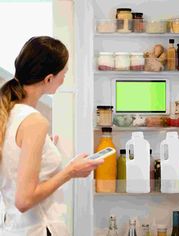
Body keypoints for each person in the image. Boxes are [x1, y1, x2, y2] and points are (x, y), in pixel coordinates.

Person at [0, 36, 104, 236]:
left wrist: (45, 150)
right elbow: (24, 200)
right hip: (38, 230)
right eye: (63, 73)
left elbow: (13, 169)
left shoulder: (9, 113)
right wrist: (70, 171)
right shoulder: (34, 122)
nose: (64, 78)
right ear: (49, 78)